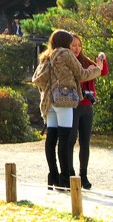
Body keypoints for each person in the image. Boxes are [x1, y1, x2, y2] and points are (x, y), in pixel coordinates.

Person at [31, 29, 100, 191]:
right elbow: (82, 74)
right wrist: (98, 68)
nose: (72, 46)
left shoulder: (47, 56)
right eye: (70, 42)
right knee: (65, 138)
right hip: (64, 100)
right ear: (64, 42)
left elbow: (37, 79)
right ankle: (64, 179)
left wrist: (52, 86)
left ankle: (52, 176)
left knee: (51, 138)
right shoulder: (65, 54)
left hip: (49, 101)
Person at [70, 36, 107, 190]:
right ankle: (70, 173)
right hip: (72, 105)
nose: (77, 48)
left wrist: (101, 58)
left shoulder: (85, 62)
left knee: (85, 142)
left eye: (79, 45)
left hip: (87, 106)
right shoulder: (67, 63)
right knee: (70, 141)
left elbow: (102, 71)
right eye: (73, 45)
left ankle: (83, 174)